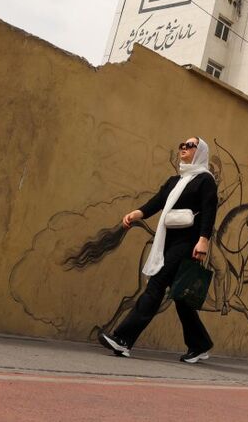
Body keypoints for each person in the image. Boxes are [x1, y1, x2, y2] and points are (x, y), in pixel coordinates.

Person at [98, 137, 218, 363]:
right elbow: (158, 201)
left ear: (200, 151)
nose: (183, 148)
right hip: (167, 242)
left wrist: (203, 240)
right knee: (181, 297)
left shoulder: (205, 181)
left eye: (189, 145)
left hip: (188, 243)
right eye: (181, 145)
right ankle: (200, 344)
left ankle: (123, 339)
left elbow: (209, 211)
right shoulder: (176, 180)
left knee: (155, 285)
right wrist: (138, 213)